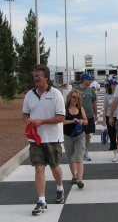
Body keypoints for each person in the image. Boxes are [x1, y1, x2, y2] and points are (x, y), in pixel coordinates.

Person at [22, 64, 65, 216]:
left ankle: (60, 188)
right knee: (39, 168)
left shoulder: (56, 94)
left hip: (53, 138)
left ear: (46, 77)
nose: (36, 78)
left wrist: (42, 122)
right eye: (34, 76)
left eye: (39, 76)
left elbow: (61, 117)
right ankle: (42, 201)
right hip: (35, 139)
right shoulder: (29, 95)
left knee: (55, 167)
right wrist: (28, 121)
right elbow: (25, 114)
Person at [63, 90, 88, 189]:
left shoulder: (80, 108)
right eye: (73, 97)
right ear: (69, 97)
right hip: (67, 135)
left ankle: (80, 180)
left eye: (77, 98)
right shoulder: (64, 109)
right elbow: (61, 121)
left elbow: (86, 121)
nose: (75, 99)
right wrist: (72, 121)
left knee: (79, 158)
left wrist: (82, 121)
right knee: (70, 158)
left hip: (79, 135)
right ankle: (74, 175)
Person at [74, 73, 98, 161]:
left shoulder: (91, 90)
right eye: (89, 79)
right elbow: (71, 101)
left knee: (88, 135)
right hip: (78, 117)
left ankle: (86, 152)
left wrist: (95, 114)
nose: (91, 81)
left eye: (91, 80)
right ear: (84, 79)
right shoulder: (76, 89)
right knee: (78, 135)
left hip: (89, 116)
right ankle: (77, 152)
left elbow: (94, 102)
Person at [102, 78, 118, 162]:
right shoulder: (107, 95)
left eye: (116, 84)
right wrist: (103, 120)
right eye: (113, 84)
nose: (114, 86)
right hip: (109, 117)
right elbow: (105, 108)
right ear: (110, 86)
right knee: (112, 135)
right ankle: (115, 153)